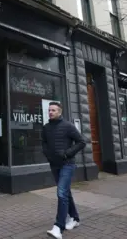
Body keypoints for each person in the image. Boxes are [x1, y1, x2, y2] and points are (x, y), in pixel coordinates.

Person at [42, 102, 86, 239]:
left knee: (61, 193)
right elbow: (44, 144)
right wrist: (49, 157)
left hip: (67, 164)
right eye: (49, 110)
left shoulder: (68, 126)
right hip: (54, 165)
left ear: (59, 112)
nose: (50, 112)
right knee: (65, 192)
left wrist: (67, 154)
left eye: (53, 110)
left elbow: (81, 142)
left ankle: (58, 227)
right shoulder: (46, 128)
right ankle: (75, 218)